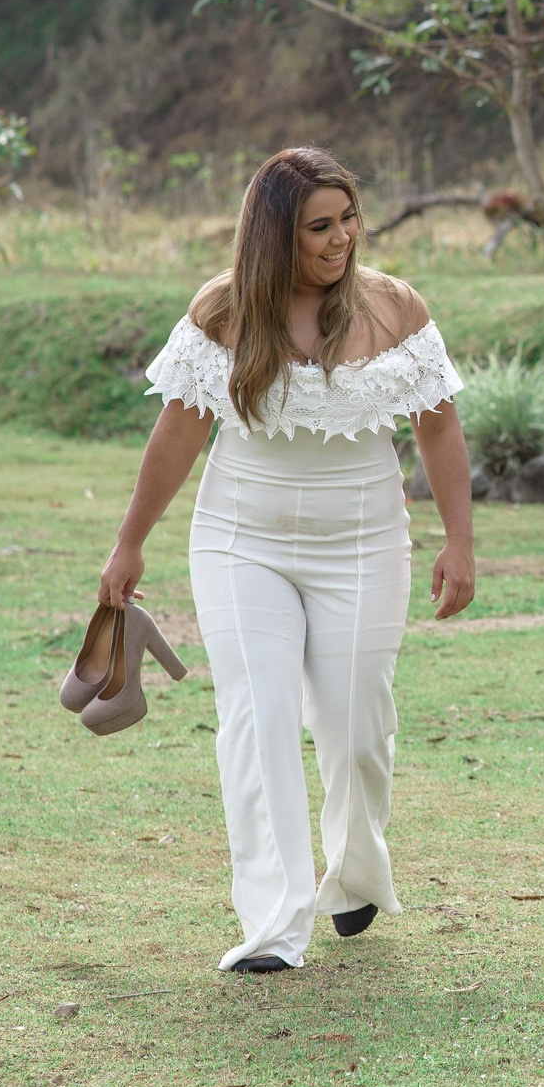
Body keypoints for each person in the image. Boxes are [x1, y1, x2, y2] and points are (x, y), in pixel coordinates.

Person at [98, 147, 477, 973]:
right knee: (256, 713)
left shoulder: (393, 307)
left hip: (366, 541)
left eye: (348, 218)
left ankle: (356, 870)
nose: (341, 238)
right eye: (319, 226)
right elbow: (177, 433)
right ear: (275, 233)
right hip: (241, 542)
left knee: (356, 724)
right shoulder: (223, 312)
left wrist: (460, 540)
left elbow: (438, 425)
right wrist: (130, 541)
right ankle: (274, 921)